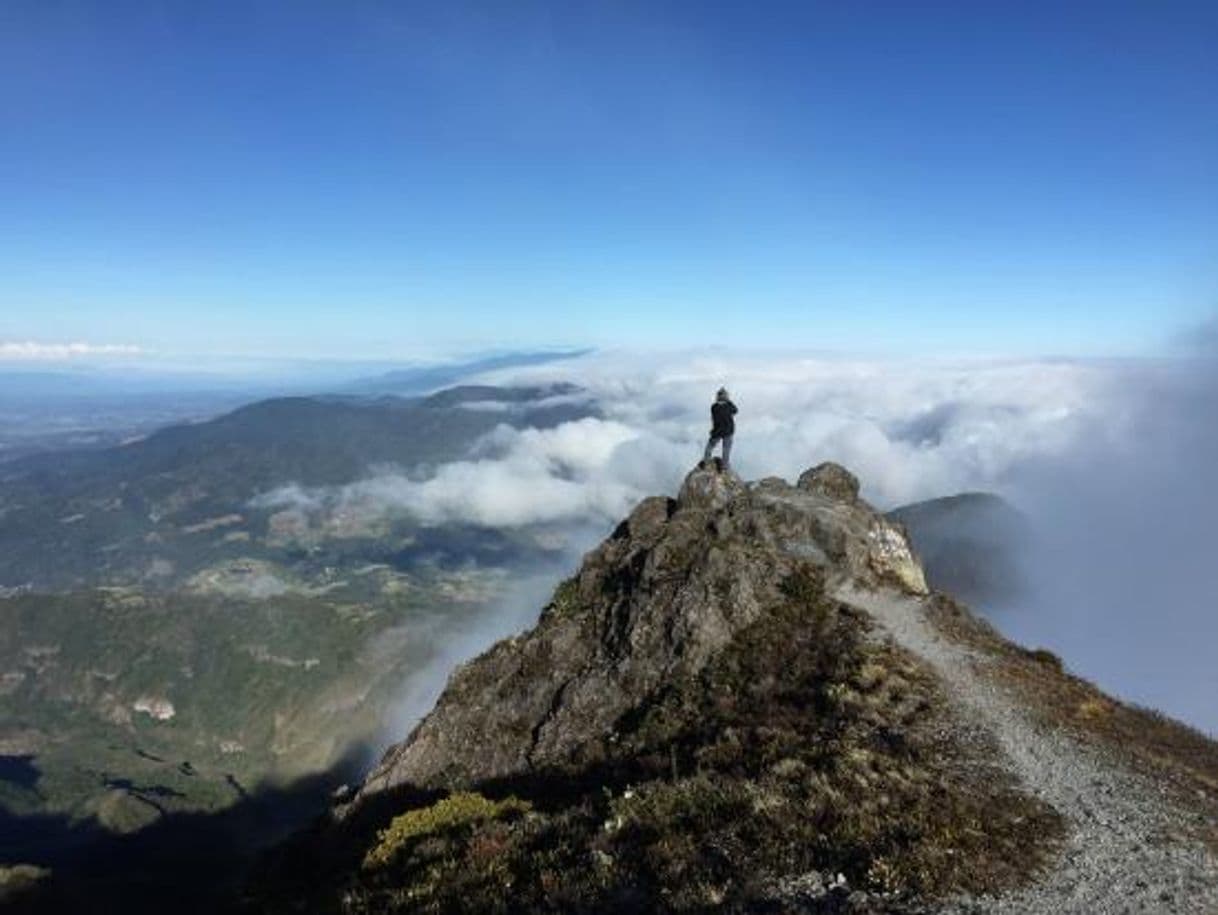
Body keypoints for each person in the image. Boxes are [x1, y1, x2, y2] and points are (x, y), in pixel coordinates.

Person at [701, 387, 737, 469]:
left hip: (717, 431)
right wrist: (729, 401)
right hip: (728, 430)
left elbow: (715, 417)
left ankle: (706, 461)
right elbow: (735, 410)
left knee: (710, 446)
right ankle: (725, 465)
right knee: (726, 449)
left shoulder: (714, 407)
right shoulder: (729, 406)